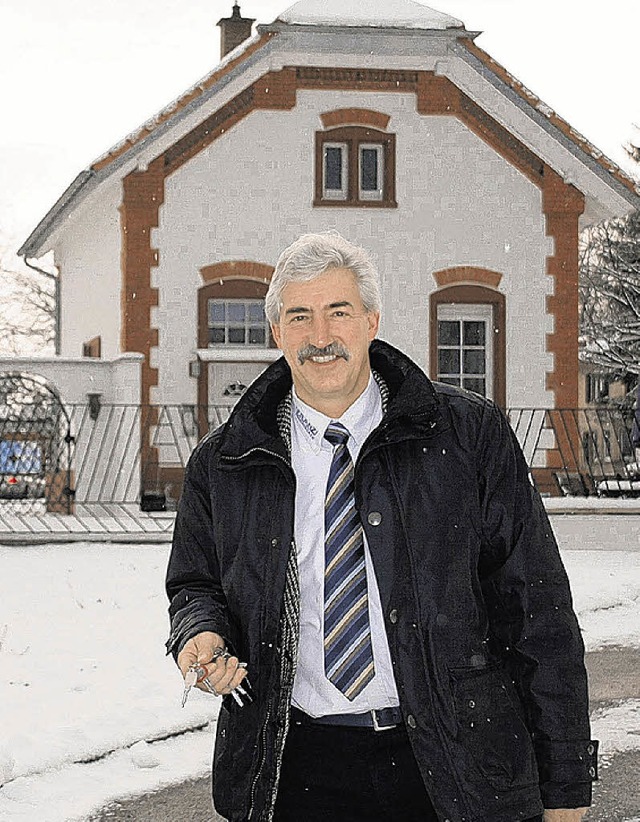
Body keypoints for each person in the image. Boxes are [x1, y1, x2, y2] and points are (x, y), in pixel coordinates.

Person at [165, 232, 597, 822]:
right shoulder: (226, 462)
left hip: (456, 762)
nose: (320, 337)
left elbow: (536, 610)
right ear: (277, 334)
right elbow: (195, 585)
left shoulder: (467, 437)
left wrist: (566, 787)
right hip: (297, 769)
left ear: (371, 319)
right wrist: (202, 633)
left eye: (338, 312)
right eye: (300, 316)